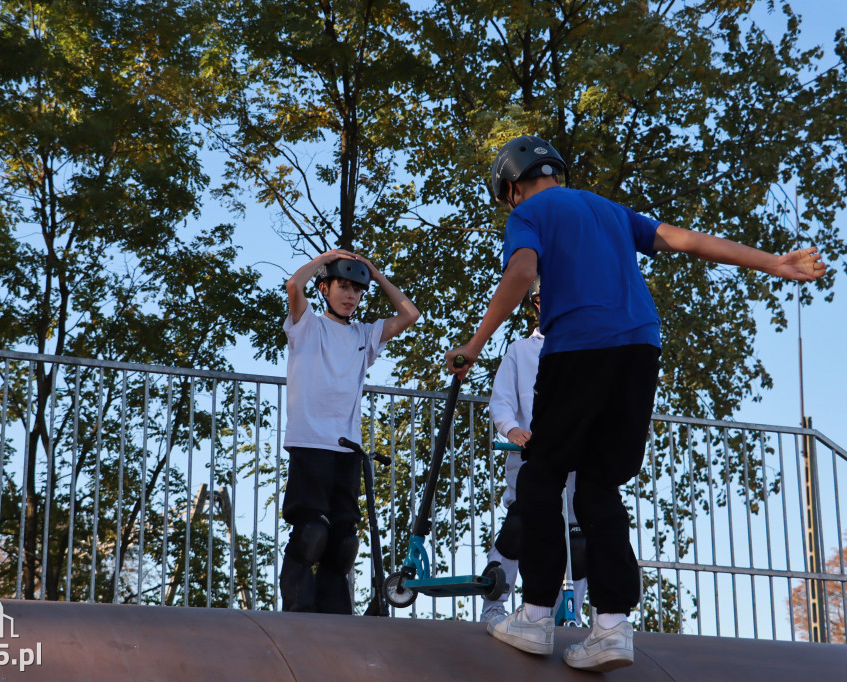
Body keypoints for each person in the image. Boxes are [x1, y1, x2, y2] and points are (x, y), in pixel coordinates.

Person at [446, 135, 826, 671]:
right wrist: (775, 264)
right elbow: (687, 240)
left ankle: (533, 616)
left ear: (511, 187)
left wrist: (474, 343)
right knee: (599, 485)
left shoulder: (528, 215)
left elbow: (523, 272)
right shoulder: (609, 209)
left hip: (580, 345)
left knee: (541, 476)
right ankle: (611, 627)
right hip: (640, 349)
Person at [280, 248, 419, 614]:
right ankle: (296, 610)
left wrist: (374, 270)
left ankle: (336, 616)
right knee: (312, 534)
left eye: (357, 289)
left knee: (344, 542)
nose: (350, 295)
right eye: (342, 286)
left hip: (348, 450)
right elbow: (295, 284)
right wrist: (325, 257)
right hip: (310, 444)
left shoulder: (364, 335)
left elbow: (410, 314)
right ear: (325, 288)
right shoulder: (308, 326)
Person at [481, 276, 587, 626]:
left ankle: (568, 614)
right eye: (546, 299)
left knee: (577, 536)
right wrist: (511, 429)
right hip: (530, 457)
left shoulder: (584, 348)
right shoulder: (520, 351)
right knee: (519, 527)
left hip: (575, 460)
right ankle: (494, 606)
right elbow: (502, 402)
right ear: (537, 304)